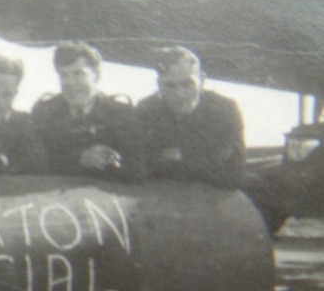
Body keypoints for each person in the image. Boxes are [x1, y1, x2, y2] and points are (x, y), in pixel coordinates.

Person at [32, 41, 145, 183]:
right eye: (63, 75)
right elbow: (34, 163)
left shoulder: (121, 114)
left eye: (78, 74)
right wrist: (79, 159)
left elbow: (140, 169)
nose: (69, 82)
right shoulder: (45, 112)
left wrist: (110, 162)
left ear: (96, 75)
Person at [136, 45, 245, 189]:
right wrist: (202, 159)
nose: (179, 94)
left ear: (202, 80)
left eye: (187, 84)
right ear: (159, 84)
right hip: (158, 195)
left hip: (210, 198)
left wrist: (175, 157)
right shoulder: (146, 109)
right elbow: (138, 166)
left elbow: (234, 176)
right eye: (170, 86)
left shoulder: (225, 110)